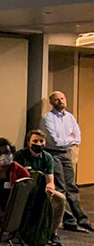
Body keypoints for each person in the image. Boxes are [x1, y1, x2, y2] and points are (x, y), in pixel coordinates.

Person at [42, 91, 92, 232]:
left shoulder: (70, 117)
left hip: (66, 154)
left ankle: (82, 219)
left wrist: (68, 139)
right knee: (61, 187)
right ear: (52, 103)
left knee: (72, 186)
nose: (60, 101)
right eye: (56, 100)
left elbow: (78, 138)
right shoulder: (48, 118)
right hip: (54, 154)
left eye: (62, 98)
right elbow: (55, 141)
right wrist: (69, 139)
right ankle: (69, 221)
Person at [15, 129, 68, 246]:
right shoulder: (20, 155)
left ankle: (52, 233)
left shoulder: (48, 158)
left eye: (41, 141)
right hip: (25, 190)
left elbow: (50, 180)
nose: (38, 144)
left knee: (60, 199)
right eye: (35, 141)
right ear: (29, 143)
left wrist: (50, 188)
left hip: (41, 189)